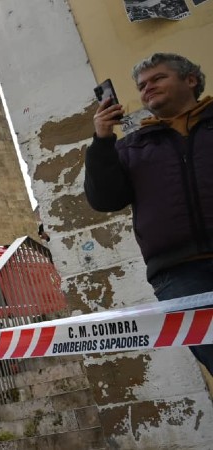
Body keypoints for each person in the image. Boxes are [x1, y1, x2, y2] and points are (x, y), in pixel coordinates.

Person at [85, 52, 213, 374]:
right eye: (142, 85)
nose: (148, 88)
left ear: (190, 80)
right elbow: (105, 199)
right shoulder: (132, 146)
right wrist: (102, 140)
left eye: (158, 78)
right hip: (178, 274)